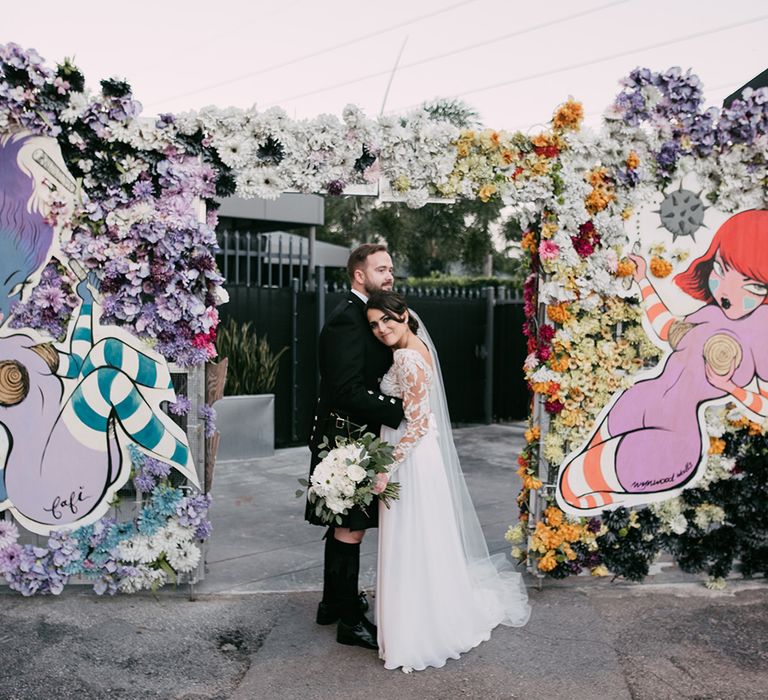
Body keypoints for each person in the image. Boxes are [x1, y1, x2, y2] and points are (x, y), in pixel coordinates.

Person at [557, 209, 768, 515]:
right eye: (721, 269)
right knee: (575, 489)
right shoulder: (709, 313)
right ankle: (604, 522)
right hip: (635, 404)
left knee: (572, 486)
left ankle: (608, 520)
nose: (727, 292)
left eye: (752, 284)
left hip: (671, 443)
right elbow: (666, 327)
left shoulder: (762, 330)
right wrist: (643, 280)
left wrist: (731, 387)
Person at [366, 290, 530, 672]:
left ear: (403, 315)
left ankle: (418, 631)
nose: (381, 329)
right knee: (425, 537)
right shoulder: (417, 345)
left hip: (408, 458)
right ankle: (431, 614)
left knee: (412, 538)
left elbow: (419, 423)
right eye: (374, 324)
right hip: (421, 458)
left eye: (387, 320)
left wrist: (386, 466)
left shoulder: (406, 357)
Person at [305, 243, 404, 650]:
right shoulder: (349, 318)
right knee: (351, 529)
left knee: (342, 525)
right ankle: (349, 621)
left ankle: (332, 604)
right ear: (359, 275)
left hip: (352, 434)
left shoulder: (364, 314)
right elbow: (345, 389)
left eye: (391, 269)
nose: (389, 275)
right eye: (381, 269)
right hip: (347, 438)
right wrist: (398, 410)